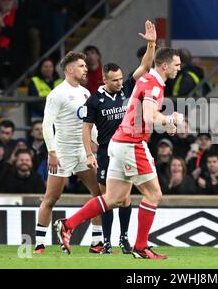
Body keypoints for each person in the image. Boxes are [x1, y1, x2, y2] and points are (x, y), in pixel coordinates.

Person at [54, 47, 183, 259]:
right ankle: (141, 247)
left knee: (113, 198)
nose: (179, 69)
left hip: (118, 142)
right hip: (132, 144)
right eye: (177, 65)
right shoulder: (154, 85)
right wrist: (170, 119)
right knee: (154, 194)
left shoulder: (146, 79)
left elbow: (145, 112)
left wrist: (151, 45)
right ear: (165, 66)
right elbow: (150, 116)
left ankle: (68, 225)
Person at [81, 20, 157, 254]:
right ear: (104, 79)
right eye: (115, 79)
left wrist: (152, 44)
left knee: (125, 199)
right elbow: (86, 129)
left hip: (128, 149)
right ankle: (106, 241)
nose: (120, 82)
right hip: (105, 152)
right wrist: (89, 154)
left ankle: (124, 238)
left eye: (121, 78)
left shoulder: (127, 89)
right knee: (108, 197)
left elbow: (144, 67)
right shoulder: (94, 100)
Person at [34, 51, 103, 254]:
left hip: (84, 152)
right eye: (81, 66)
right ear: (70, 69)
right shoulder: (57, 94)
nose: (85, 69)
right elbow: (47, 125)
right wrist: (52, 152)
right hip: (62, 154)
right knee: (51, 198)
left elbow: (91, 126)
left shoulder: (86, 93)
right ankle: (39, 244)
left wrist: (104, 144)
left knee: (98, 195)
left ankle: (97, 243)